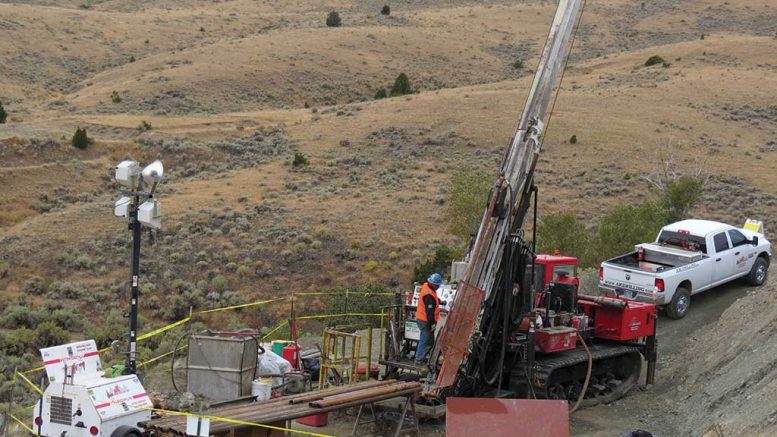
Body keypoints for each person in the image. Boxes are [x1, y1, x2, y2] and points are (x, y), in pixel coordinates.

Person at [414, 272, 443, 365]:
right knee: (424, 339)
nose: (438, 287)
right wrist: (432, 325)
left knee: (430, 339)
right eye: (437, 285)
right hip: (424, 320)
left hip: (422, 319)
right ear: (433, 284)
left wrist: (440, 301)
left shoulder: (427, 287)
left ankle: (427, 356)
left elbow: (433, 299)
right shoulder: (428, 295)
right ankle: (419, 359)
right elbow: (430, 312)